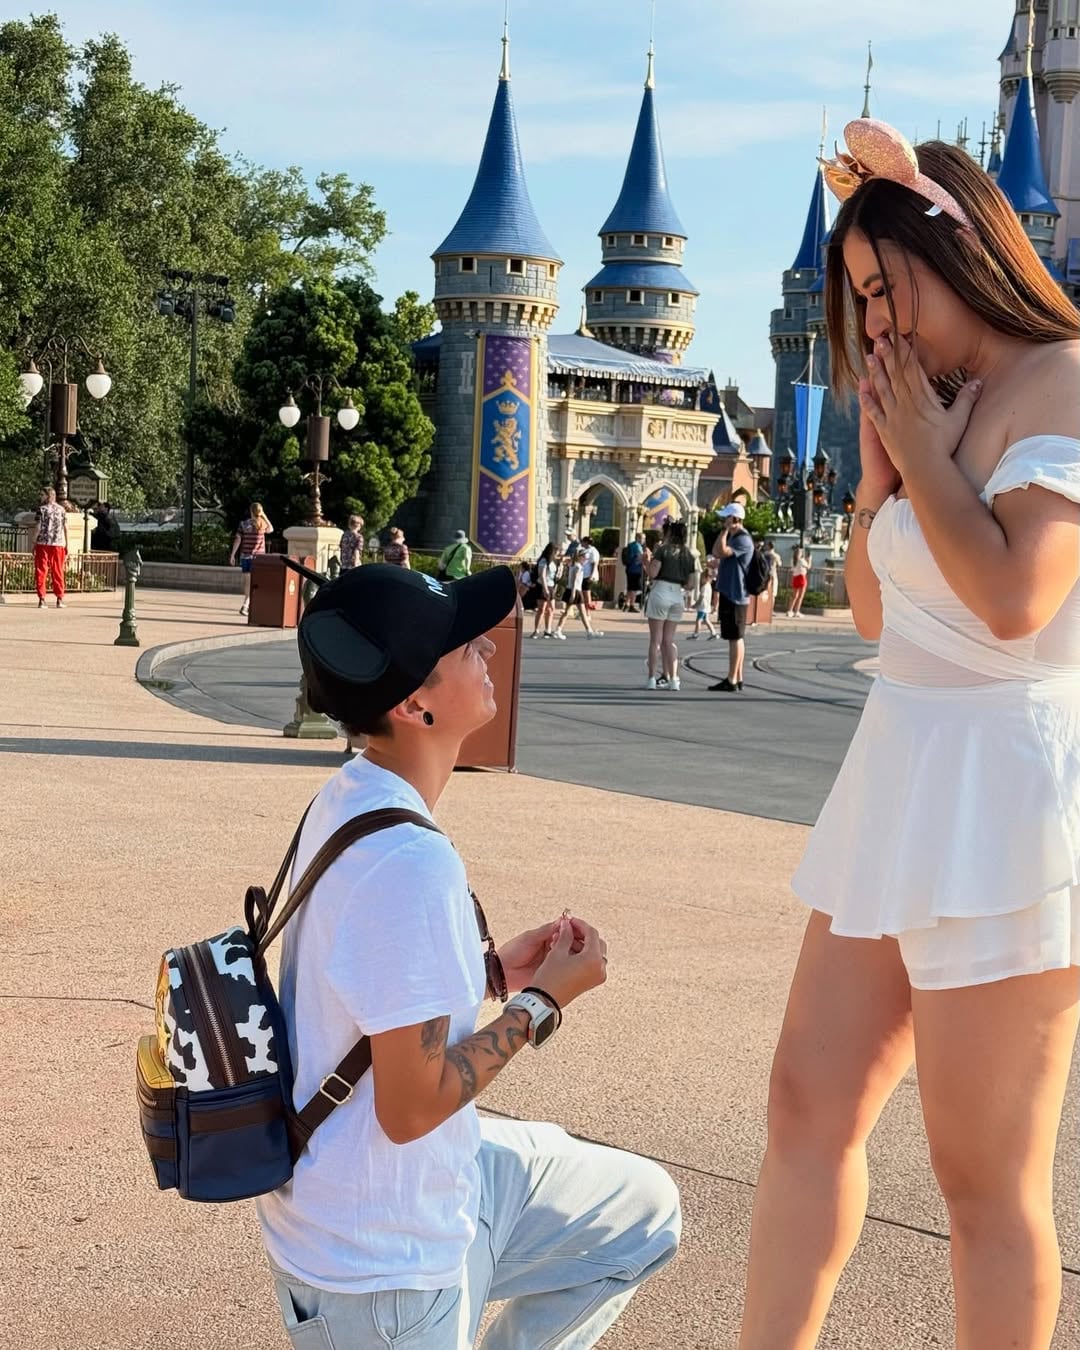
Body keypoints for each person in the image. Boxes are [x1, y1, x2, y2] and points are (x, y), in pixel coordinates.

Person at [738, 120, 1080, 1350]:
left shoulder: (1064, 379)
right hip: (902, 766)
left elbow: (1015, 598)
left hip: (1004, 792)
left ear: (963, 244)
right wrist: (884, 478)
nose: (874, 327)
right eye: (858, 304)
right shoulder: (936, 401)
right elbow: (877, 615)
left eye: (888, 291)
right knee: (804, 1104)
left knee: (983, 1179)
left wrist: (929, 456)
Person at [257, 563, 680, 1348]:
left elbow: (367, 986)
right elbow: (411, 1106)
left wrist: (490, 973)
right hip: (383, 1267)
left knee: (641, 1212)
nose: (486, 642)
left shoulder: (354, 795)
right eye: (459, 641)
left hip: (403, 1198)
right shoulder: (408, 865)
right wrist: (541, 1004)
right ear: (412, 703)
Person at [643, 518, 698, 691]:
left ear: (670, 533)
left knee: (655, 641)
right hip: (677, 595)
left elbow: (652, 573)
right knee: (669, 640)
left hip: (661, 591)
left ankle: (652, 678)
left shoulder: (663, 550)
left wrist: (645, 562)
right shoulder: (688, 554)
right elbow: (691, 584)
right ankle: (674, 679)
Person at [708, 503, 753, 693]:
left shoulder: (742, 540)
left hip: (736, 593)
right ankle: (738, 676)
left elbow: (720, 551)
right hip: (732, 592)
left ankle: (732, 679)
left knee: (735, 637)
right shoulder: (737, 538)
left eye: (727, 518)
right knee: (735, 637)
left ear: (735, 520)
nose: (723, 521)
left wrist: (724, 532)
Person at [229, 501, 273, 618]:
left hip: (246, 557)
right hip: (259, 559)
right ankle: (248, 605)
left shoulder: (244, 524)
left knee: (248, 583)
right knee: (258, 583)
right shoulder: (263, 524)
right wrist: (264, 516)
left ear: (250, 511)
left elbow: (238, 539)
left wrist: (233, 554)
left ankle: (246, 604)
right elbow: (271, 529)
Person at [554, 546, 602, 639]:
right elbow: (574, 580)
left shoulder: (573, 565)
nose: (586, 560)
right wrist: (573, 593)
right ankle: (558, 630)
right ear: (580, 557)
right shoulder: (578, 567)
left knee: (581, 612)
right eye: (585, 558)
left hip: (575, 590)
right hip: (574, 590)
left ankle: (589, 631)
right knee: (568, 612)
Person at [33, 486, 68, 609]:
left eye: (42, 495)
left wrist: (34, 542)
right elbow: (65, 528)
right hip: (58, 544)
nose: (40, 497)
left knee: (41, 571)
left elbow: (38, 527)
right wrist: (66, 543)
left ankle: (42, 599)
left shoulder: (41, 510)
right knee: (58, 570)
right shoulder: (62, 510)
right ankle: (59, 598)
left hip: (43, 543)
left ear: (49, 496)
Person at [685, 552, 719, 640]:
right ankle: (713, 633)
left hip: (703, 606)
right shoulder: (709, 586)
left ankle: (696, 634)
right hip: (707, 606)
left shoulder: (704, 586)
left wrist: (696, 605)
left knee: (698, 620)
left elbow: (702, 597)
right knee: (706, 620)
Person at [531, 541, 558, 638]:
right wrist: (545, 589)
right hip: (542, 585)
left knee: (551, 609)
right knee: (542, 609)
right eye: (556, 551)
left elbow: (554, 575)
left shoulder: (553, 562)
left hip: (551, 585)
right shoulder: (543, 561)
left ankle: (548, 630)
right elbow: (542, 575)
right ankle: (536, 630)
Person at [623, 532, 646, 612]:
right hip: (635, 569)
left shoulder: (631, 545)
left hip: (629, 569)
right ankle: (632, 605)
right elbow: (639, 558)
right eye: (643, 538)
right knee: (634, 588)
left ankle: (626, 603)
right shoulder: (638, 546)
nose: (644, 540)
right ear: (638, 538)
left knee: (630, 587)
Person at [579, 534, 601, 610]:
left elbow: (594, 563)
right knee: (582, 593)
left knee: (586, 594)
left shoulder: (593, 551)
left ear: (586, 542)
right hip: (582, 574)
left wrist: (592, 575)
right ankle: (584, 611)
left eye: (582, 542)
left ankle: (587, 613)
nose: (581, 543)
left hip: (588, 574)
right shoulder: (583, 550)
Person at [786, 544, 809, 617]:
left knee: (794, 595)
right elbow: (808, 566)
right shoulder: (802, 560)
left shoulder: (792, 560)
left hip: (795, 577)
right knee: (800, 596)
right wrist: (809, 559)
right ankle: (797, 611)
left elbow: (792, 569)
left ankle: (790, 610)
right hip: (802, 577)